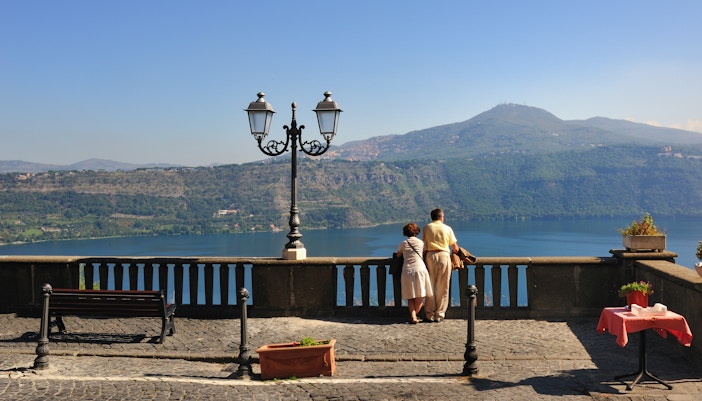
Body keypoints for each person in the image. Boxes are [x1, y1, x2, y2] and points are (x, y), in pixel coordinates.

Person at [421, 208, 458, 323]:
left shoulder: (427, 228)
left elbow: (424, 244)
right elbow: (455, 248)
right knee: (443, 286)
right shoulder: (447, 228)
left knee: (430, 285)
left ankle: (429, 314)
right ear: (441, 217)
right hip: (444, 256)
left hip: (430, 256)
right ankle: (440, 314)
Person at [396, 222, 433, 324]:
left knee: (410, 295)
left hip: (407, 270)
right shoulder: (421, 243)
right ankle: (414, 315)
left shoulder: (403, 243)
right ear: (416, 232)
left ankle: (413, 316)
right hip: (420, 269)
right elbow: (424, 252)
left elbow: (398, 255)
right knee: (420, 295)